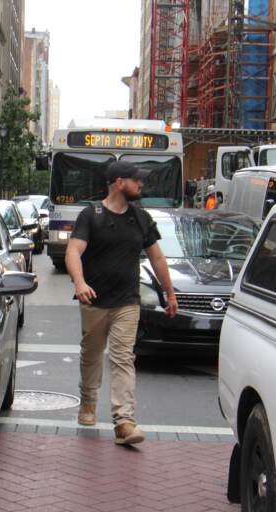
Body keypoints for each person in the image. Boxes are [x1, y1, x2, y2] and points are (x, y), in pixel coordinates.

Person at [65, 160, 178, 445]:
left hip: (127, 301)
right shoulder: (91, 215)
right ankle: (88, 401)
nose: (141, 184)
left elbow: (157, 258)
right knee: (91, 356)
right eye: (136, 180)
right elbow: (73, 252)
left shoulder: (141, 218)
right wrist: (80, 283)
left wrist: (170, 293)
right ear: (119, 183)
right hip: (94, 300)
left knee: (123, 357)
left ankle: (124, 421)